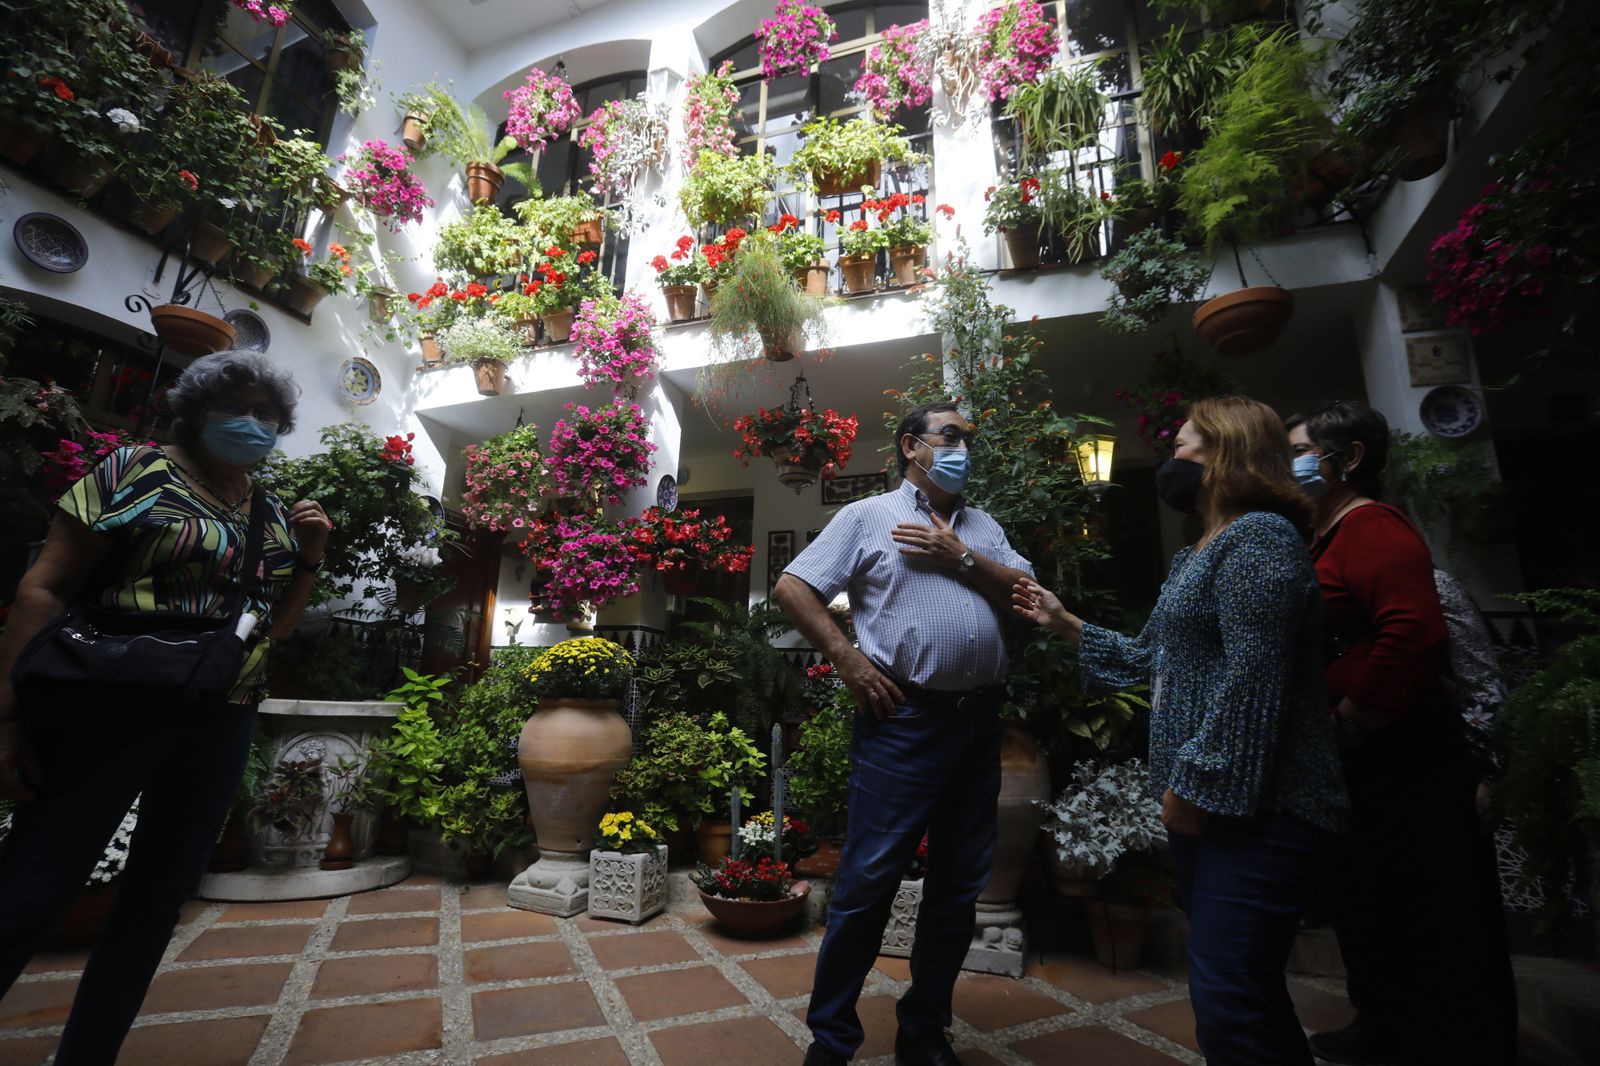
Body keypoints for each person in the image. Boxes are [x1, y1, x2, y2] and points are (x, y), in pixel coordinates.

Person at [0, 350, 331, 1064]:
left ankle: (88, 1054)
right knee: (36, 882)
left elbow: (269, 627)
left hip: (222, 710)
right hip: (114, 702)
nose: (252, 423)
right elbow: (44, 589)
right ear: (196, 411)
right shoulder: (136, 470)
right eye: (235, 408)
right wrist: (8, 717)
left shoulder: (267, 508)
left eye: (266, 413)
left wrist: (307, 558)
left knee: (158, 898)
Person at [1012, 396, 1348, 1066]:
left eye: (1185, 445)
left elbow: (1257, 676)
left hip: (1262, 811)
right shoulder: (1199, 553)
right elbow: (1148, 659)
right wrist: (1063, 621)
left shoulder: (1260, 540)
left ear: (1228, 454)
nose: (1173, 460)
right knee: (1248, 993)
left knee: (1229, 1006)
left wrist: (1193, 785)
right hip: (1213, 813)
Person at [773, 401, 1034, 1066]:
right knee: (866, 885)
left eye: (969, 437)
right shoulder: (867, 517)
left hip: (978, 725)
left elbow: (1028, 599)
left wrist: (964, 558)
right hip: (904, 724)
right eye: (950, 436)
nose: (963, 448)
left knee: (957, 886)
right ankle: (832, 1041)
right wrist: (848, 659)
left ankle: (924, 1030)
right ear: (912, 447)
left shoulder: (980, 525)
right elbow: (793, 586)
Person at [1287, 400, 1515, 1065]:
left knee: (1428, 909)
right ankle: (1382, 1024)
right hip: (1361, 764)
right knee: (1370, 902)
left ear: (1350, 458)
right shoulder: (1324, 534)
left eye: (1302, 450)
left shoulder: (1373, 527)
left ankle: (1448, 1043)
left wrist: (1357, 719)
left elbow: (1412, 631)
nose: (1291, 464)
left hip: (1403, 759)